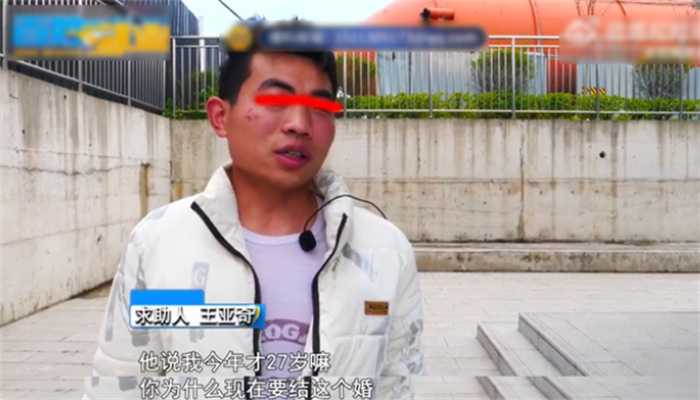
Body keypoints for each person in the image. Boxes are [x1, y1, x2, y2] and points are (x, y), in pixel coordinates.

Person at [85, 22, 424, 400]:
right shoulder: (160, 242)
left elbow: (395, 385)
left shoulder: (385, 250)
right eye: (275, 101)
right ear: (220, 117)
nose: (299, 124)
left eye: (320, 106)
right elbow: (123, 380)